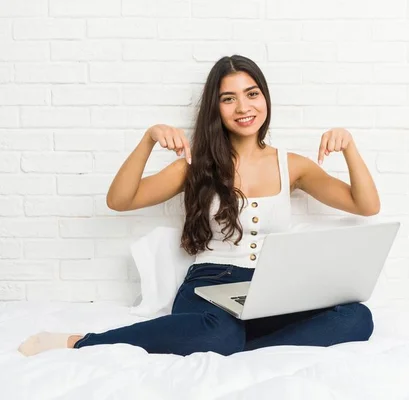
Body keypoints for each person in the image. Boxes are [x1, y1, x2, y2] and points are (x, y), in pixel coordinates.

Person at [18, 55, 381, 357]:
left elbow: (365, 205)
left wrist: (349, 147)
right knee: (215, 333)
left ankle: (236, 345)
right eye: (229, 98)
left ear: (265, 98)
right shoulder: (193, 165)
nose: (243, 107)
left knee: (356, 318)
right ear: (216, 107)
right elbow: (120, 200)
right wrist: (147, 140)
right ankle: (81, 341)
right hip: (209, 285)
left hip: (272, 288)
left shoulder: (293, 165)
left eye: (252, 94)